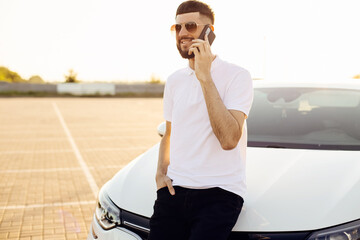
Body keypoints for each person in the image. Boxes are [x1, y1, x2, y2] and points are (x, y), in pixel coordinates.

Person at [148, 1, 253, 240]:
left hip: (220, 194)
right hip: (174, 192)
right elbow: (169, 133)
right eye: (178, 27)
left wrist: (204, 76)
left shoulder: (237, 76)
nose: (183, 33)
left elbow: (228, 139)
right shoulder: (174, 80)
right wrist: (160, 174)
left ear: (209, 31)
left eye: (191, 26)